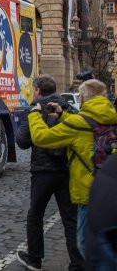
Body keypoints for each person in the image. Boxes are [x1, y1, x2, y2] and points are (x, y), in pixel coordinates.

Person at [28, 79, 117, 257]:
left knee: (85, 245)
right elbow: (86, 126)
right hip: (111, 188)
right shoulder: (111, 117)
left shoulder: (78, 123)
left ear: (83, 99)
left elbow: (41, 137)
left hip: (88, 190)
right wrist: (62, 115)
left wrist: (34, 115)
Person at [16, 75, 84, 271]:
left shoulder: (34, 109)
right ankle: (77, 263)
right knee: (70, 219)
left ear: (38, 90)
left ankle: (35, 259)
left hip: (43, 171)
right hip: (65, 169)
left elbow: (22, 141)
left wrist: (34, 116)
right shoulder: (68, 108)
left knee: (35, 215)